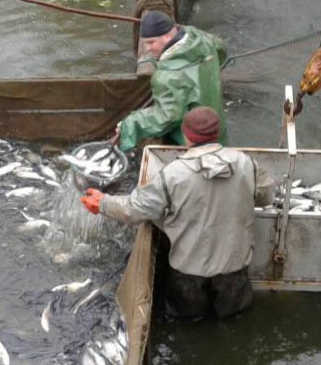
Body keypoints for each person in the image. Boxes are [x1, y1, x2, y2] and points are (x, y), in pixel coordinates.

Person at [83, 107, 274, 318]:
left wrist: (103, 203)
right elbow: (266, 198)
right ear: (217, 133)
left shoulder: (173, 174)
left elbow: (135, 210)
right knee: (235, 321)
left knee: (187, 325)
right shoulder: (246, 163)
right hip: (234, 272)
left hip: (188, 274)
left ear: (186, 135)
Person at [115, 10, 228, 152]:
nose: (147, 49)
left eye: (151, 42)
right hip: (216, 128)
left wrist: (130, 124)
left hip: (193, 142)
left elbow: (168, 116)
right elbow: (221, 49)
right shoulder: (201, 38)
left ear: (168, 35)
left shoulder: (167, 76)